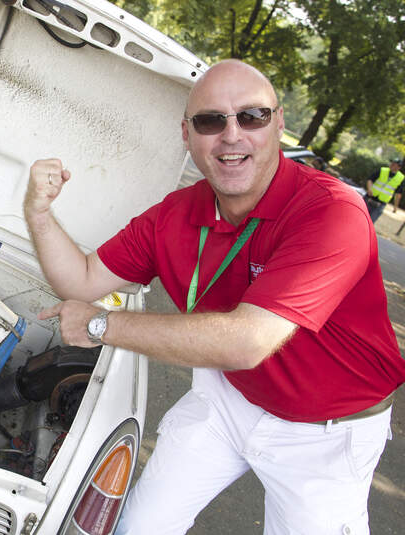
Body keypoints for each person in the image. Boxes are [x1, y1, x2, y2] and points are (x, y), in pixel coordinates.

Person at [23, 59, 404, 534]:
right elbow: (79, 282)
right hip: (228, 397)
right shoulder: (175, 213)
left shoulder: (332, 211)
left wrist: (101, 325)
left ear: (279, 122)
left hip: (325, 432)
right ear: (187, 134)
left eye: (252, 116)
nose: (231, 135)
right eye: (210, 121)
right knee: (138, 527)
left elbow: (247, 341)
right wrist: (37, 212)